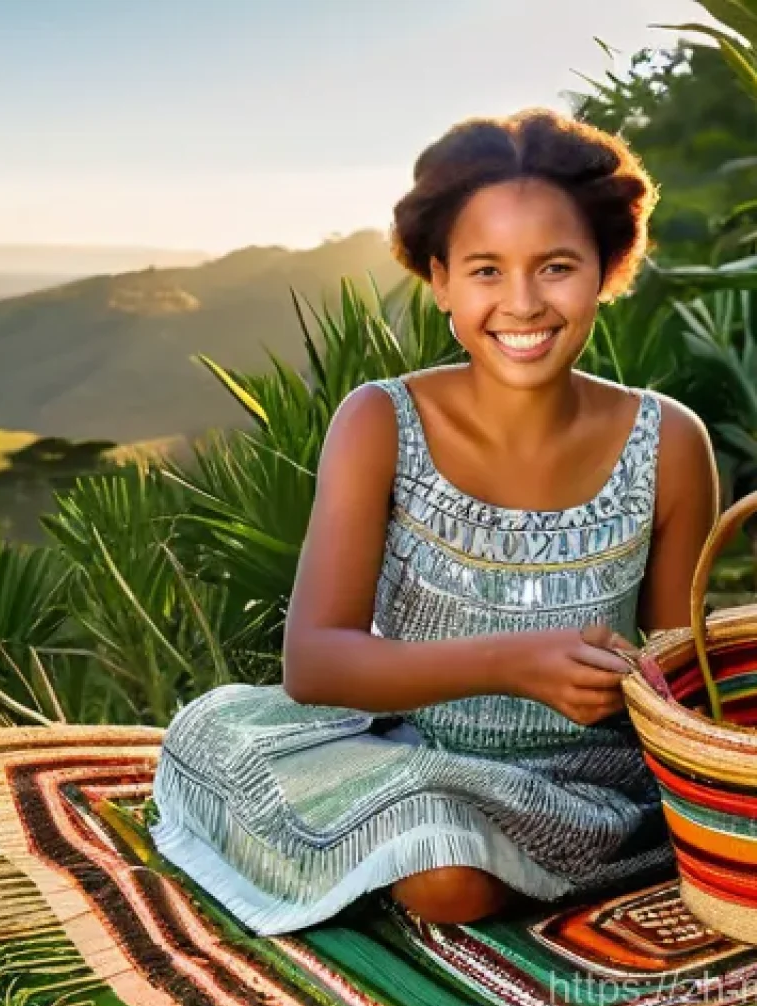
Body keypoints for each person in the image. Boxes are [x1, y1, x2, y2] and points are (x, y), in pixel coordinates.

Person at [148, 108, 720, 937]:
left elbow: (681, 677)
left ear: (606, 269)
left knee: (446, 873)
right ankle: (475, 864)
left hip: (587, 783)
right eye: (486, 270)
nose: (522, 303)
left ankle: (524, 859)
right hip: (404, 755)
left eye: (556, 266)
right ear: (441, 279)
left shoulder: (668, 441)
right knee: (233, 752)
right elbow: (313, 662)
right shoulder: (381, 420)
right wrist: (510, 661)